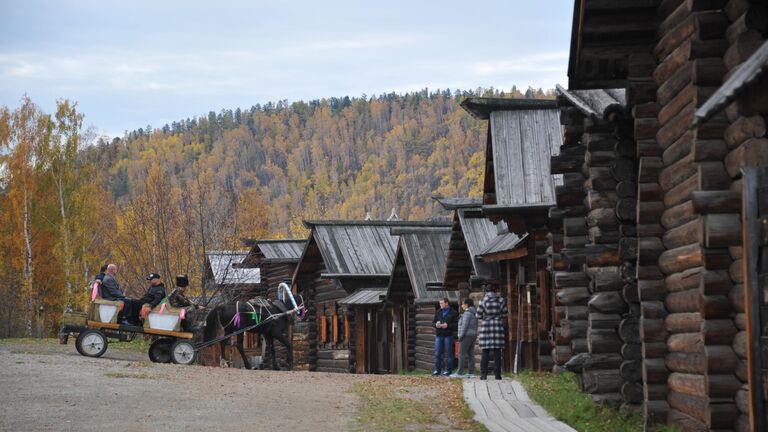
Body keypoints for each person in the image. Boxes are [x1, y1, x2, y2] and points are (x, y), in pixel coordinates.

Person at [476, 284, 507, 380]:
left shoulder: (483, 300)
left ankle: (483, 374)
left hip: (486, 327)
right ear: (495, 291)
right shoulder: (501, 300)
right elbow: (505, 313)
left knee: (485, 351)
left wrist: (486, 317)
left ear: (486, 291)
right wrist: (497, 317)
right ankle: (497, 375)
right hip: (497, 326)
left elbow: (478, 315)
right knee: (497, 351)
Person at [451, 298, 478, 378]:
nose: (462, 305)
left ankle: (459, 372)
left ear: (466, 304)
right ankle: (471, 372)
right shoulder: (473, 313)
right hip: (473, 334)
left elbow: (464, 326)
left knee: (461, 353)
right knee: (470, 354)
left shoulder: (467, 313)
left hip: (466, 335)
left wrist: (461, 336)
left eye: (463, 304)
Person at [432, 297, 458, 376]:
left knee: (448, 354)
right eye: (440, 303)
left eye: (442, 303)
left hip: (448, 336)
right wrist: (436, 325)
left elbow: (456, 324)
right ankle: (437, 371)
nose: (440, 305)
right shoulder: (438, 312)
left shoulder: (453, 312)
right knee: (437, 353)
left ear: (446, 303)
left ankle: (448, 371)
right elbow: (433, 323)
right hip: (439, 335)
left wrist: (448, 325)